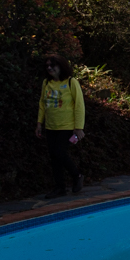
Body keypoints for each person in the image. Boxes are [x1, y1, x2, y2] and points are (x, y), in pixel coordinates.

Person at [36, 54, 85, 199]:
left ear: (61, 66)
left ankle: (77, 175)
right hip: (51, 126)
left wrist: (78, 127)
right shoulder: (46, 83)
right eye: (47, 66)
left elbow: (79, 105)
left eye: (53, 65)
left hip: (67, 126)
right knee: (54, 157)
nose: (50, 68)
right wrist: (39, 123)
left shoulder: (71, 82)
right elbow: (42, 104)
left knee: (60, 153)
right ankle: (60, 187)